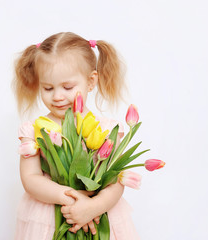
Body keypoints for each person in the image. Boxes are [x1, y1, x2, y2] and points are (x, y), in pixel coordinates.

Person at [13, 32, 141, 239]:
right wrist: (71, 200)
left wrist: (92, 207)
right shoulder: (35, 130)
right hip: (49, 217)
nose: (57, 96)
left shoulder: (107, 130)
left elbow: (115, 181)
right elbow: (31, 178)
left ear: (91, 82)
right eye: (47, 88)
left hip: (100, 214)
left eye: (67, 87)